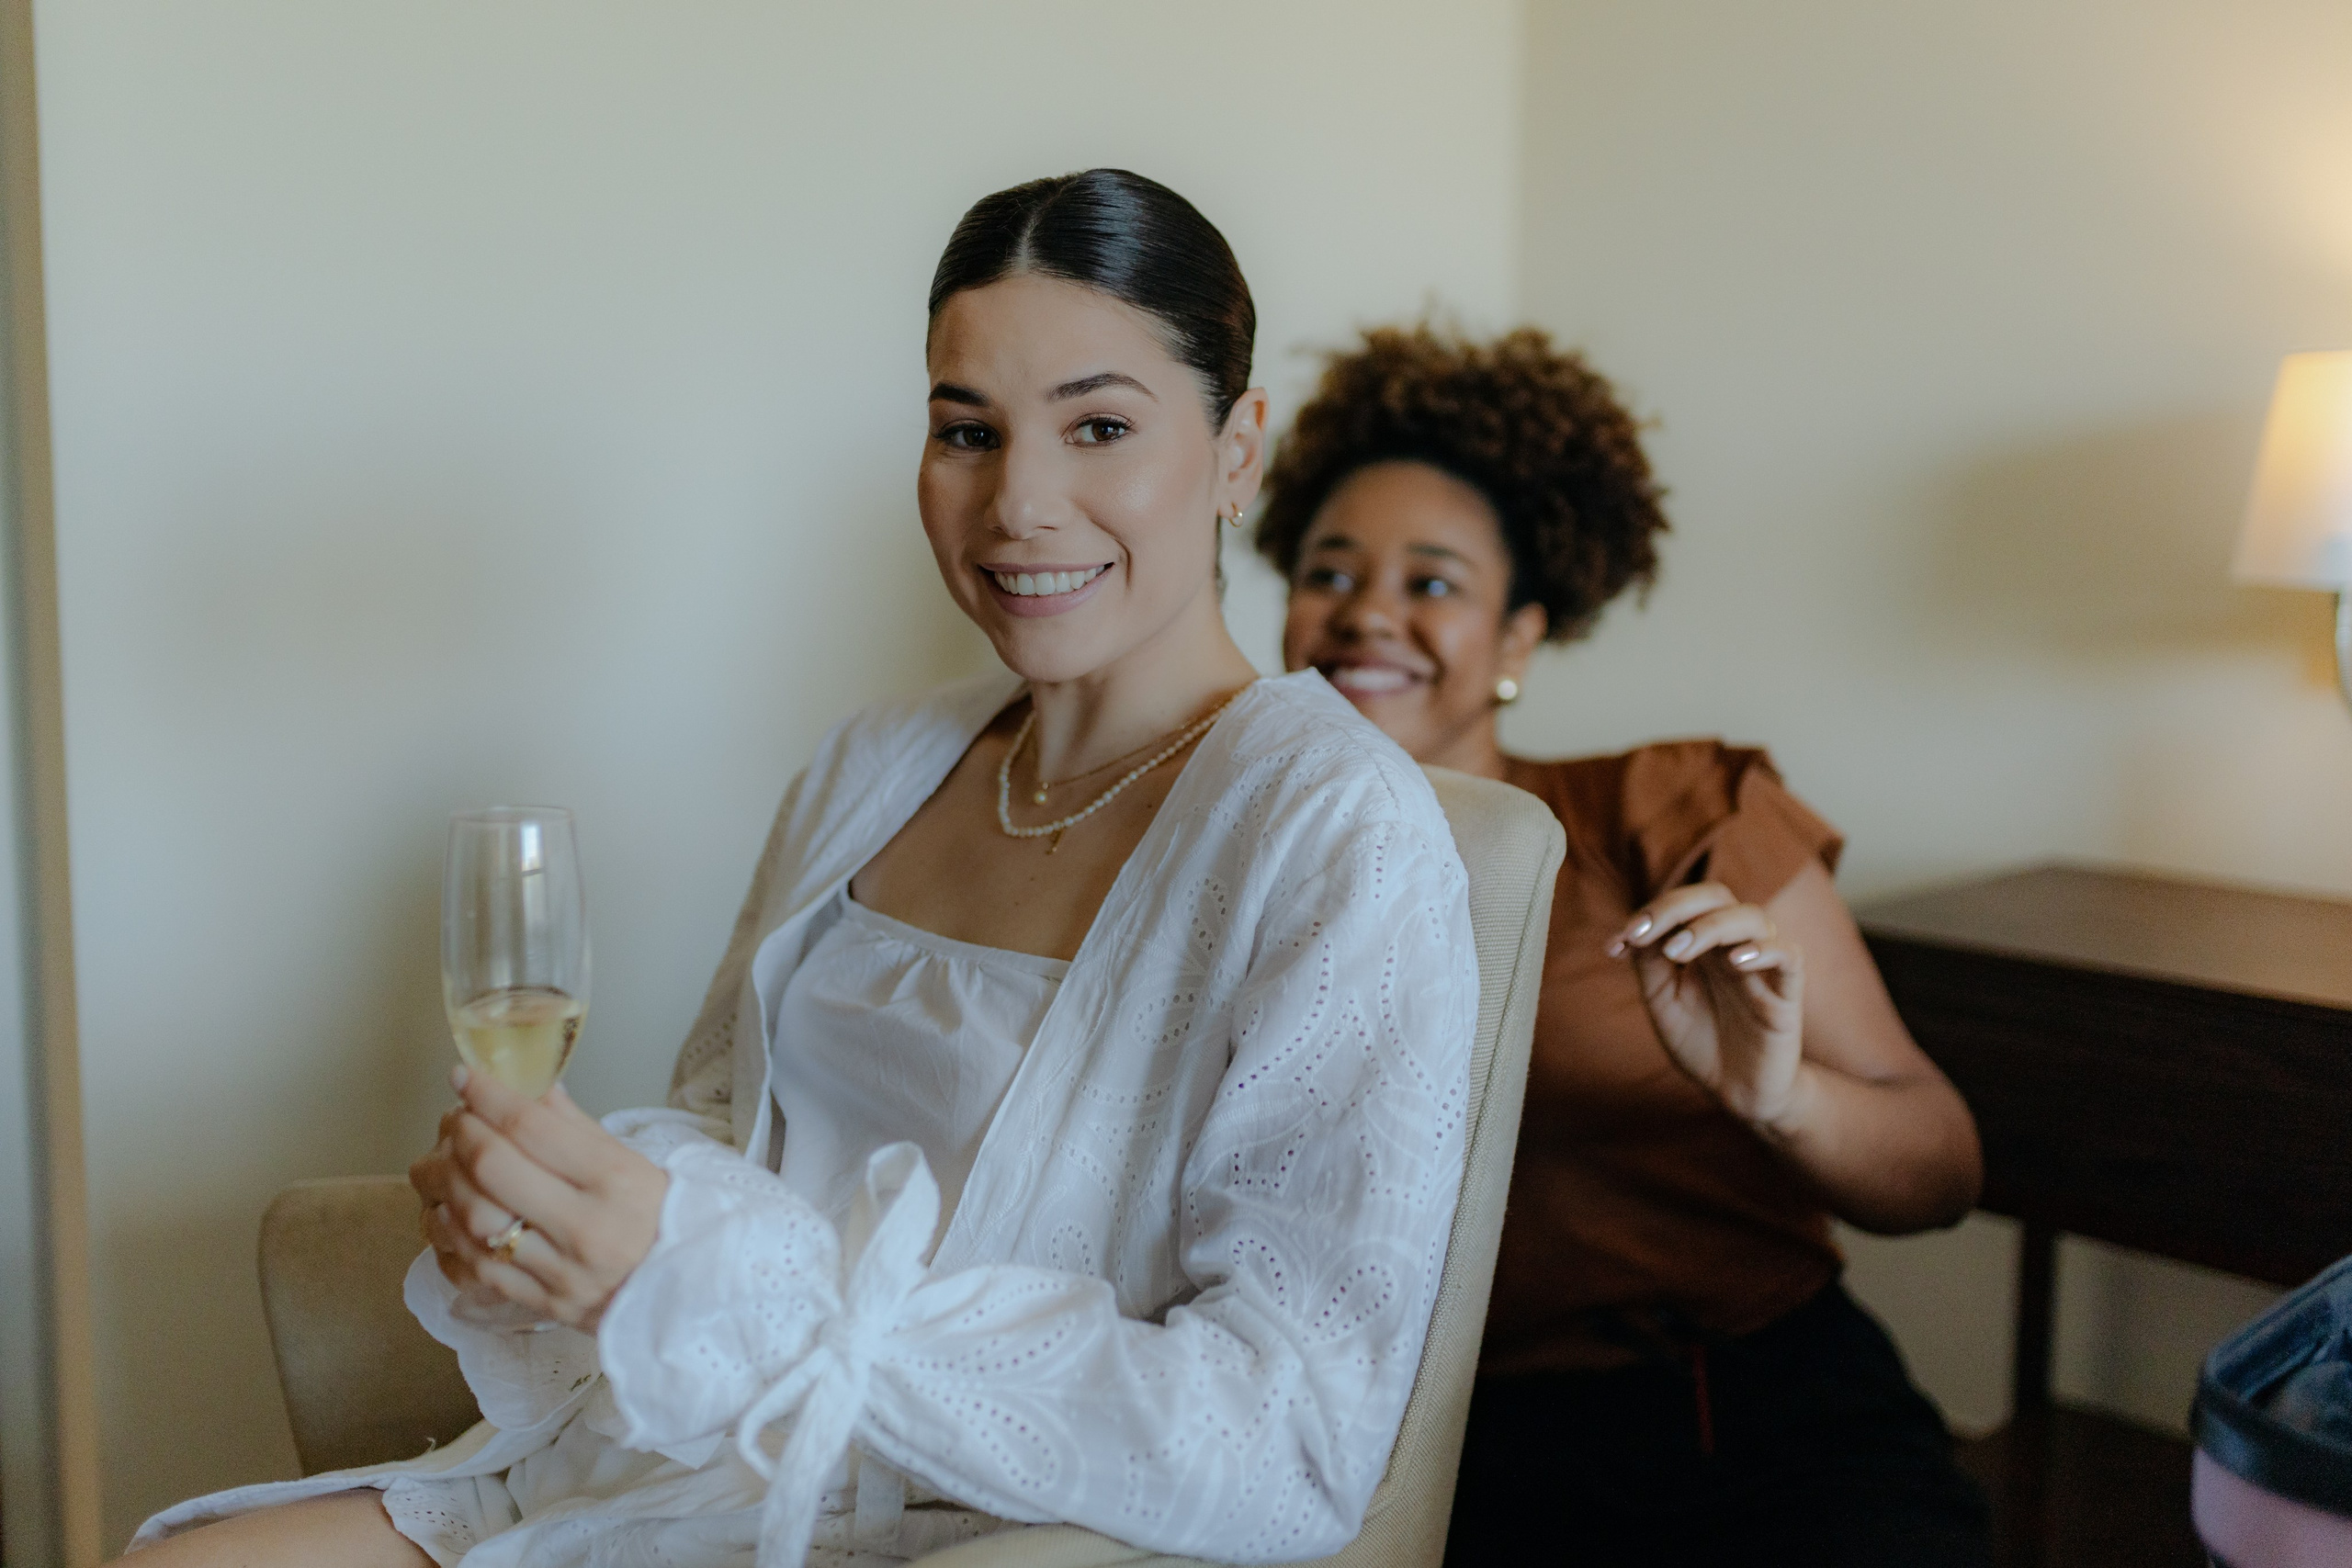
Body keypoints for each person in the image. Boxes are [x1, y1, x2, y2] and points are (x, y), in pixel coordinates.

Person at [123, 172, 1479, 1568]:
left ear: (1240, 450)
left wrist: (728, 1294)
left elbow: (1288, 1439)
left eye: (1101, 426)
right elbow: (722, 1130)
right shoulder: (878, 764)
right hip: (661, 1461)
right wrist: (567, 1229)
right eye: (968, 430)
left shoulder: (1332, 833)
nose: (1019, 502)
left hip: (930, 1530)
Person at [1258, 323, 1993, 1568]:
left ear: (1520, 642)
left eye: (1432, 582)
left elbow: (1941, 1174)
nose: (1366, 612)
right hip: (1444, 1461)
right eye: (1330, 573)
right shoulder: (1247, 878)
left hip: (1757, 1422)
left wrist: (1780, 1097)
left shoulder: (1665, 813)